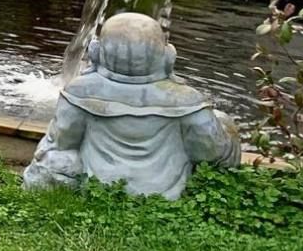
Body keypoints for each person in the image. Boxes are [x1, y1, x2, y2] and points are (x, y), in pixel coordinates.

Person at [22, 11, 241, 201]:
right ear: (167, 55)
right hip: (165, 195)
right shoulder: (188, 100)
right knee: (223, 122)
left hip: (96, 187)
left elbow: (64, 142)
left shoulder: (79, 92)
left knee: (55, 153)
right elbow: (212, 155)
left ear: (96, 51)